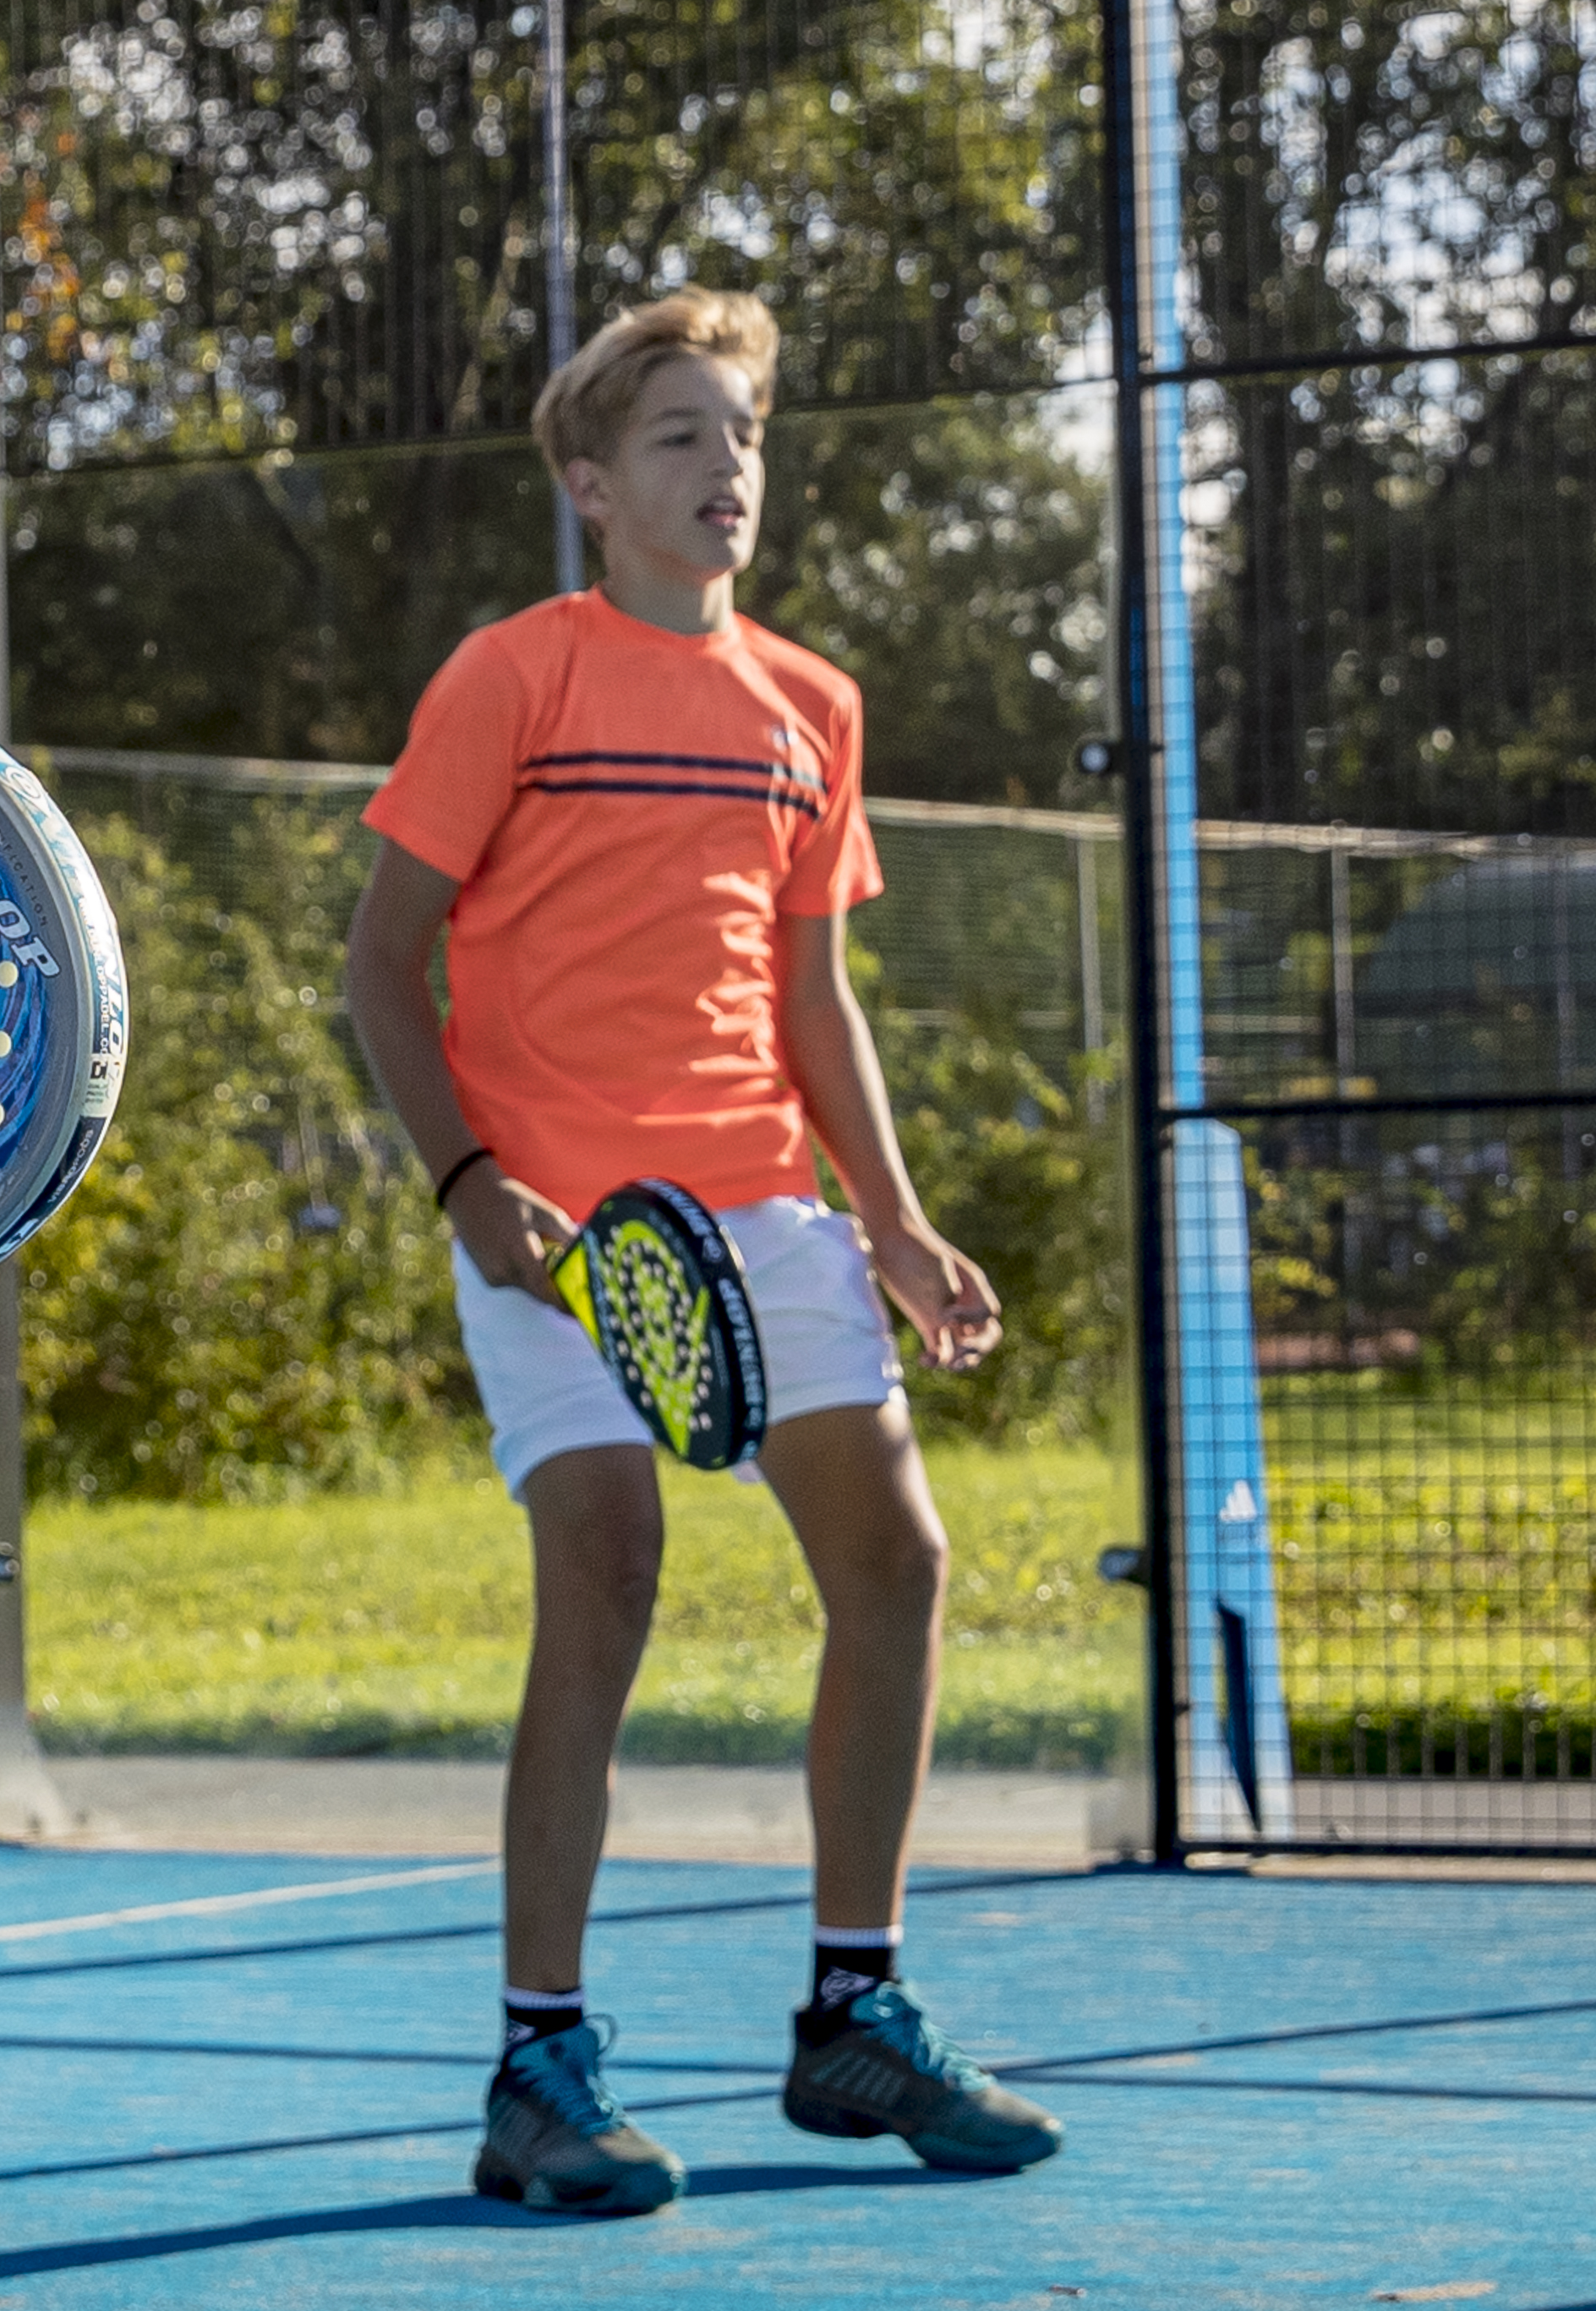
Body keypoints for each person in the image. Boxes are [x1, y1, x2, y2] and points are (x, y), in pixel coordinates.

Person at [342, 287, 1065, 2215]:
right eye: (679, 436)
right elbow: (381, 963)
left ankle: (853, 2014)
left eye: (742, 434)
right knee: (609, 1568)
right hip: (561, 1228)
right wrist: (466, 1183)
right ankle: (539, 2061)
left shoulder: (811, 706)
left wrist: (894, 1221)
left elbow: (815, 992)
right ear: (590, 484)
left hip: (768, 1209)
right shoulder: (516, 678)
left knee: (898, 1561)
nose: (724, 467)